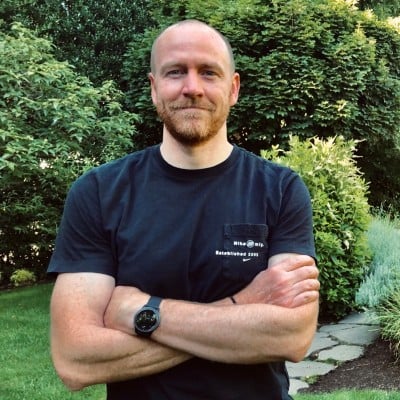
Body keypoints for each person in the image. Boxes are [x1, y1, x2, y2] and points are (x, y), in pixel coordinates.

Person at [48, 19, 320, 400]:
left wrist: (142, 312)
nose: (192, 88)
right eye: (175, 72)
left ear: (233, 88)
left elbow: (292, 336)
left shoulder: (280, 190)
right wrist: (241, 306)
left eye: (208, 72)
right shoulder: (98, 193)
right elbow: (76, 358)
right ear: (154, 88)